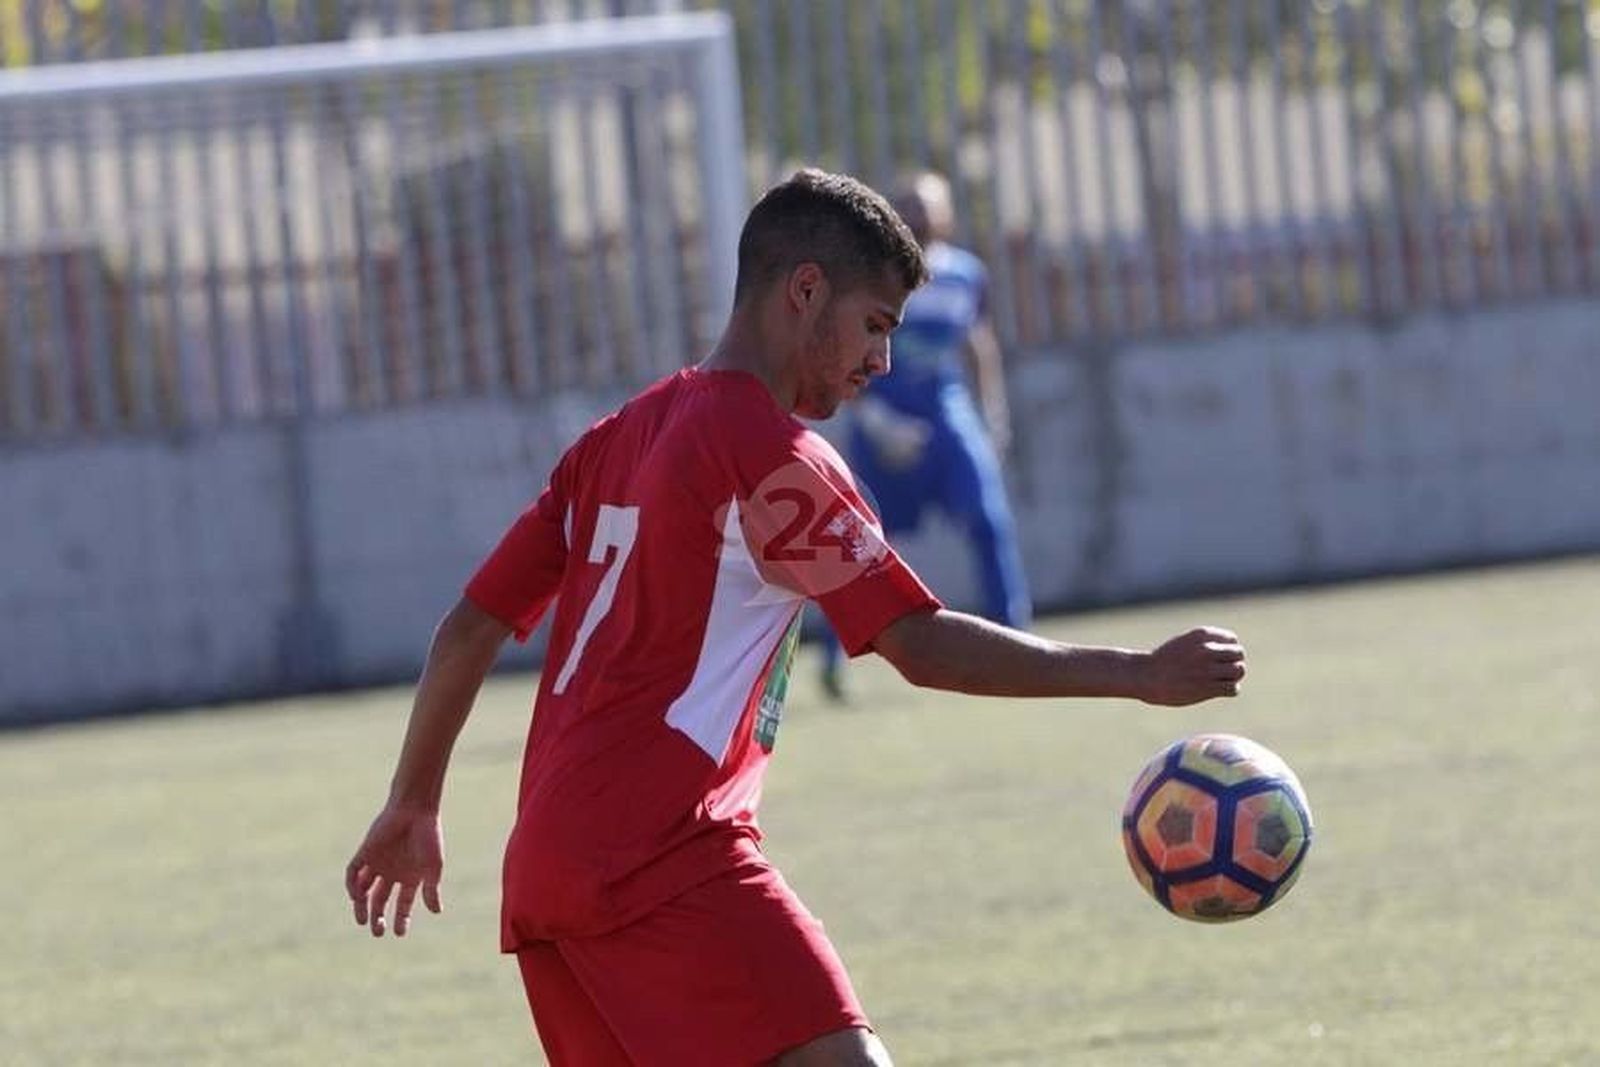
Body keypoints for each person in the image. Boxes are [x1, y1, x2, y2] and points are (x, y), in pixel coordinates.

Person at [345, 168, 1247, 1067]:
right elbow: (920, 643)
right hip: (659, 852)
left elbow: (469, 626)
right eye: (875, 325)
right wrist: (1137, 673)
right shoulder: (773, 457)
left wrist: (414, 799)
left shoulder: (615, 436)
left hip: (548, 865)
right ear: (805, 290)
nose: (883, 361)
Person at [820, 171, 1030, 701]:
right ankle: (830, 658)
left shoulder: (965, 274)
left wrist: (993, 415)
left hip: (946, 409)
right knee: (852, 544)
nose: (920, 218)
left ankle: (1019, 640)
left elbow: (978, 345)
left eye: (929, 207)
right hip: (887, 412)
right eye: (909, 207)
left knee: (988, 520)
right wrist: (871, 418)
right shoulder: (873, 277)